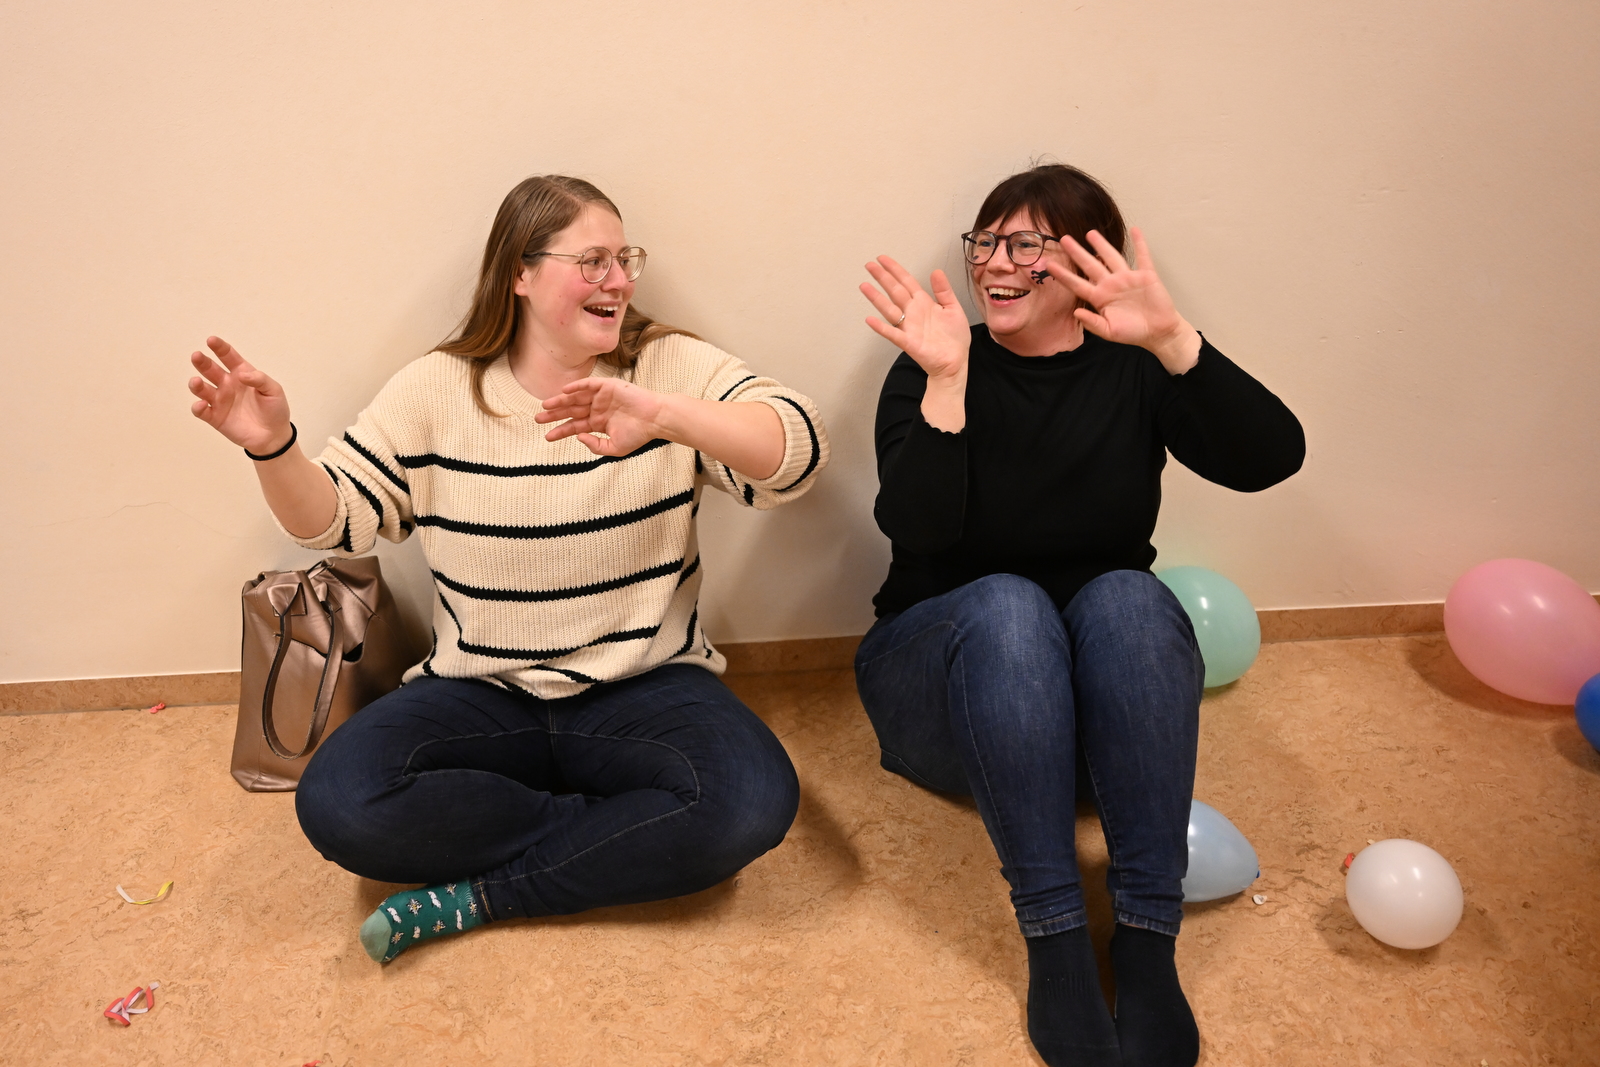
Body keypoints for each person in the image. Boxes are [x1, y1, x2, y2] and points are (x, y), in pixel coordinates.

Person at [187, 175, 828, 963]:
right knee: (339, 802)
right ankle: (619, 829)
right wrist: (272, 446)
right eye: (592, 261)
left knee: (752, 803)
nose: (619, 280)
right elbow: (335, 519)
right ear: (520, 273)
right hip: (481, 691)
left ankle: (488, 895)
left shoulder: (667, 366)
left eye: (625, 259)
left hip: (646, 683)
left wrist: (665, 414)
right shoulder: (436, 389)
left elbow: (798, 451)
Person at [853, 164, 1304, 1067]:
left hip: (1092, 728)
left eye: (1025, 244)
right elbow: (916, 528)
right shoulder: (933, 365)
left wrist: (1175, 339)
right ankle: (1056, 936)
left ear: (1088, 262)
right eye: (986, 242)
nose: (995, 264)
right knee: (1008, 604)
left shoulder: (1134, 368)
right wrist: (947, 384)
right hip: (940, 697)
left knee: (1132, 594)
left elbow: (1273, 458)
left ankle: (1146, 936)